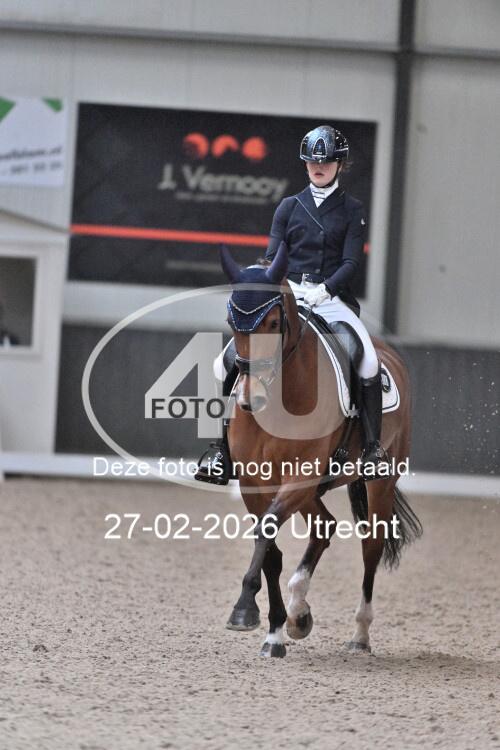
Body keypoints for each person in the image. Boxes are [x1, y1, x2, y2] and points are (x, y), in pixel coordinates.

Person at [195, 124, 389, 484]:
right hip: (289, 293)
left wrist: (326, 289)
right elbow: (273, 256)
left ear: (339, 164)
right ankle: (219, 449)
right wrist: (275, 284)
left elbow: (351, 262)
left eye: (326, 162)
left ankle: (373, 449)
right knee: (223, 362)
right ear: (305, 164)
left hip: (330, 298)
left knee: (366, 359)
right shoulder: (289, 207)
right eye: (313, 162)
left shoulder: (352, 209)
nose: (319, 167)